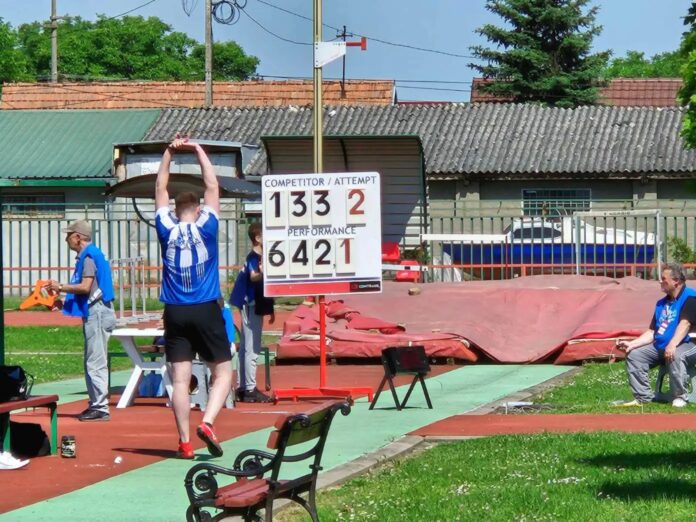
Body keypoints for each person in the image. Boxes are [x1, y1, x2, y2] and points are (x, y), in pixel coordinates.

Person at [155, 136, 232, 459]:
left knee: (180, 379)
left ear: (174, 211)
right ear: (198, 209)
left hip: (174, 311)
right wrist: (198, 149)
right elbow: (212, 185)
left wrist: (168, 153)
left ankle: (185, 442)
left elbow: (160, 187)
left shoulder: (165, 228)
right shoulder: (208, 227)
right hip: (205, 308)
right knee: (223, 371)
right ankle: (209, 421)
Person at [46, 220, 116, 421]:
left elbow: (85, 287)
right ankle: (96, 404)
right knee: (92, 360)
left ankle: (100, 407)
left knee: (95, 361)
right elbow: (90, 291)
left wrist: (60, 287)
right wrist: (63, 303)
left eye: (68, 235)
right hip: (96, 311)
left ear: (77, 237)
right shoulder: (90, 255)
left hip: (98, 313)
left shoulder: (88, 257)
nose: (66, 239)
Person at [616, 263, 696, 408]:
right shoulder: (661, 304)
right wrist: (632, 344)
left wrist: (672, 344)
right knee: (635, 354)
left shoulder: (691, 297)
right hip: (662, 346)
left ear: (676, 281)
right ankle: (643, 397)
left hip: (689, 345)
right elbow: (653, 332)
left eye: (664, 279)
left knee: (675, 354)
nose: (660, 281)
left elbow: (685, 324)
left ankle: (679, 396)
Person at [229, 222, 275, 403]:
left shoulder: (261, 256)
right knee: (252, 347)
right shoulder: (254, 257)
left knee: (246, 347)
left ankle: (243, 386)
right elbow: (253, 276)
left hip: (254, 304)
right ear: (258, 238)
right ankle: (249, 388)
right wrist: (263, 272)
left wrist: (270, 308)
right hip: (249, 305)